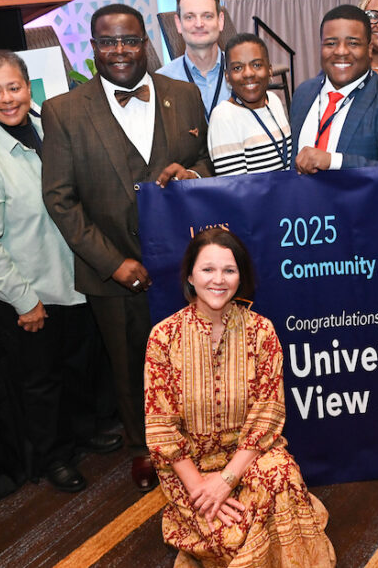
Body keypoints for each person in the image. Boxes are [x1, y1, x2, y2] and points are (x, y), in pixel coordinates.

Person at [41, 3, 214, 492]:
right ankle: (146, 450)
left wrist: (194, 175)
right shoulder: (63, 111)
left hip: (184, 262)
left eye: (130, 40)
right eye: (107, 42)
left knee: (192, 356)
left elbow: (202, 159)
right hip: (113, 272)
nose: (119, 51)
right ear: (93, 47)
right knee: (132, 367)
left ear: (146, 43)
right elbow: (60, 198)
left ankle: (200, 437)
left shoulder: (183, 95)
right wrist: (113, 264)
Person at [0, 50, 121, 493]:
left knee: (77, 366)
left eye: (15, 87)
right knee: (40, 383)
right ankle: (52, 457)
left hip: (73, 280)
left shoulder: (52, 128)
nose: (8, 99)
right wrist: (23, 300)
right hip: (28, 293)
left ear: (29, 87)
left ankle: (82, 432)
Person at [145, 228, 336, 567]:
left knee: (280, 471)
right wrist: (202, 488)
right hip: (190, 470)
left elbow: (268, 416)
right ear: (190, 275)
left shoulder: (262, 332)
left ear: (240, 277)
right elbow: (162, 429)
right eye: (207, 270)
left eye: (229, 270)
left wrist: (227, 480)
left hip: (247, 460)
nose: (218, 280)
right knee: (231, 537)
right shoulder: (163, 337)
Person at [289, 4, 378, 174]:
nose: (341, 51)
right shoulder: (303, 93)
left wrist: (334, 161)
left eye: (353, 43)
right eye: (331, 43)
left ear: (369, 49)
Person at [207, 33, 292, 175]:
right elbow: (236, 189)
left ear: (270, 70)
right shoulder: (224, 117)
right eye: (237, 68)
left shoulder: (274, 101)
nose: (248, 74)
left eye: (257, 65)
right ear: (227, 76)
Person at [159, 0, 232, 119]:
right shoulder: (162, 82)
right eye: (189, 17)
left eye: (207, 16)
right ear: (178, 23)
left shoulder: (242, 74)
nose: (199, 24)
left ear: (221, 21)